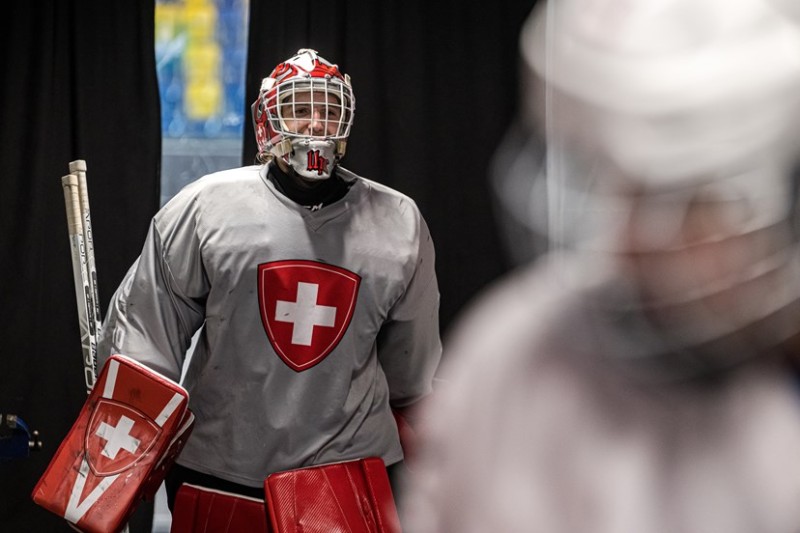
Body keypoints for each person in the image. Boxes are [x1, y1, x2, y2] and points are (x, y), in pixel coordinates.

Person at [401, 1, 800, 532]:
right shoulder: (512, 352)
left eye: (681, 208)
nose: (627, 244)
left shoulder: (775, 414)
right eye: (620, 193)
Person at [98, 48, 441, 524]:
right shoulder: (204, 207)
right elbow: (146, 341)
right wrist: (115, 434)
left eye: (328, 111)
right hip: (220, 469)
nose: (317, 125)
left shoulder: (398, 220)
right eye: (301, 108)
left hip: (346, 474)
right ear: (268, 122)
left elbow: (412, 369)